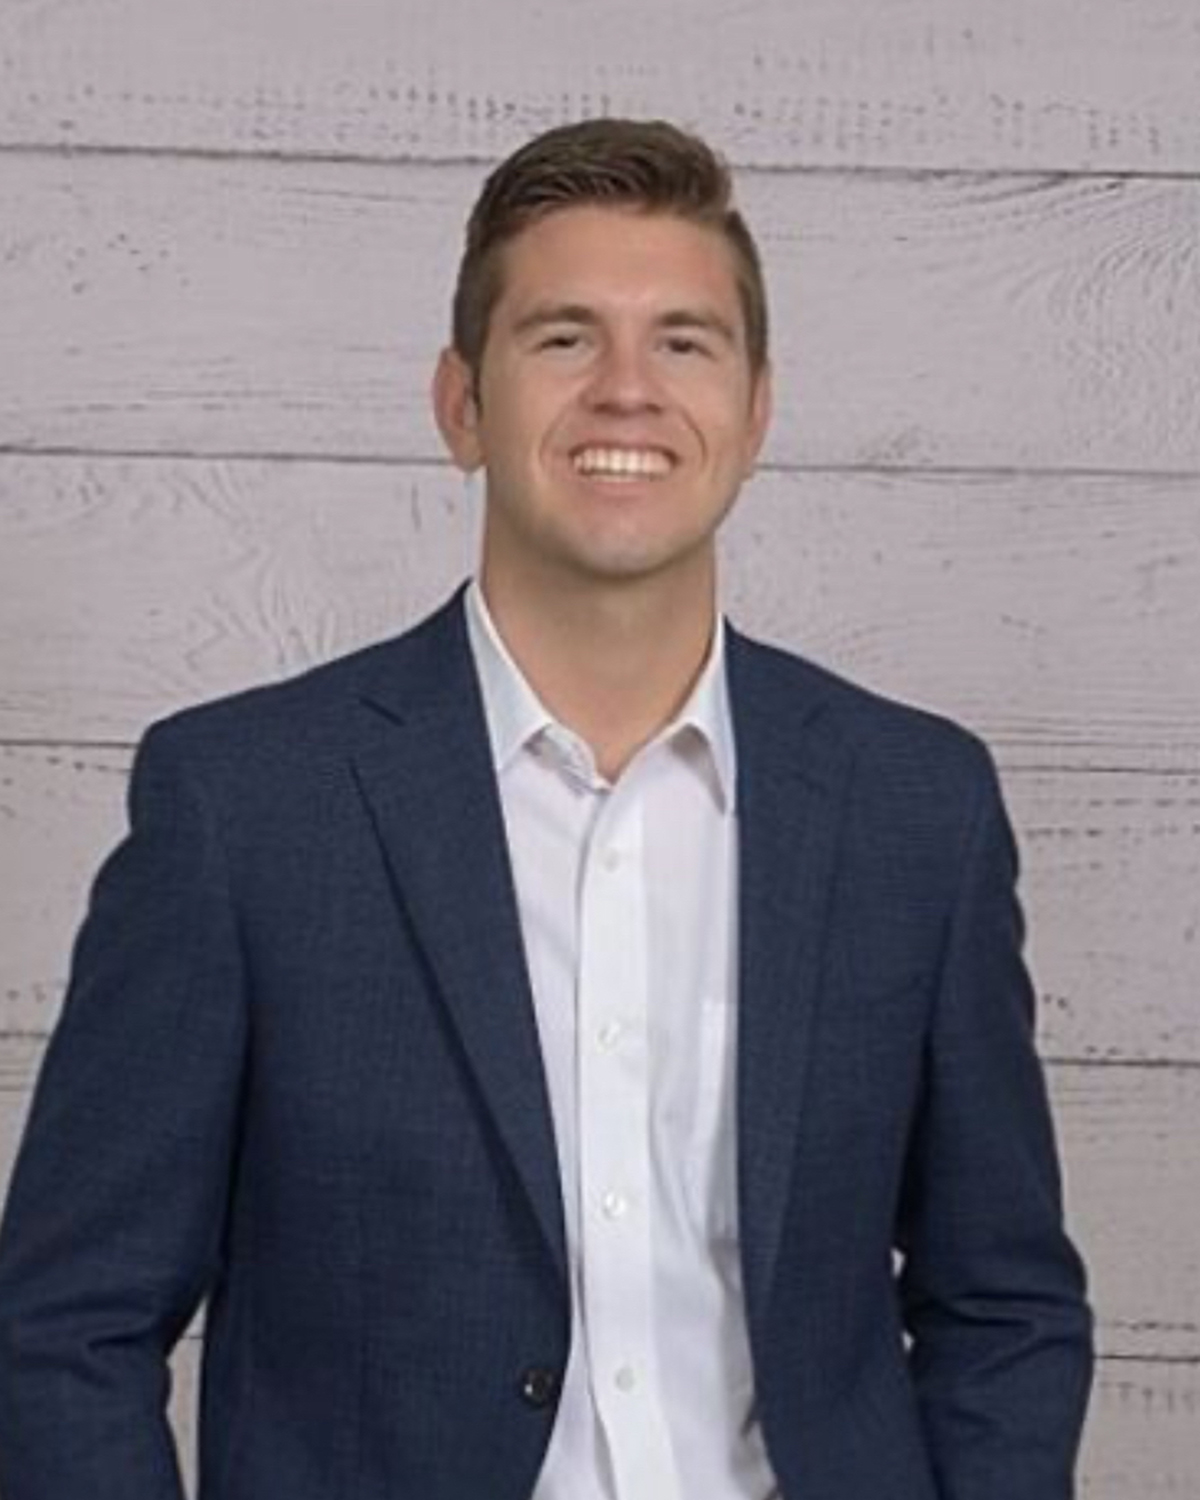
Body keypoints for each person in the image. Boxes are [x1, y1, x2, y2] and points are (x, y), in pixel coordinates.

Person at [0, 118, 1092, 1500]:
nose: (628, 391)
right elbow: (66, 1326)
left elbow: (1004, 1303)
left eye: (685, 342)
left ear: (756, 414)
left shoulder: (914, 808)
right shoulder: (247, 807)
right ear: (462, 406)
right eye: (565, 338)